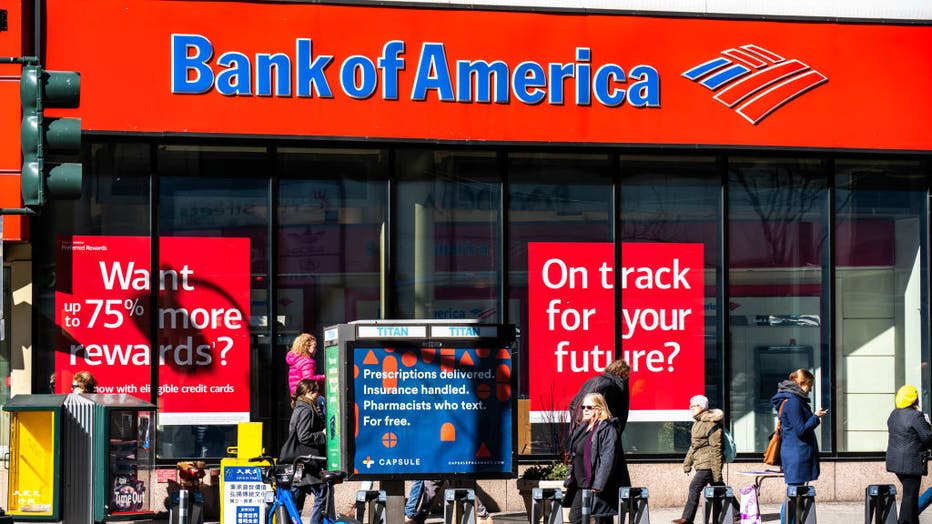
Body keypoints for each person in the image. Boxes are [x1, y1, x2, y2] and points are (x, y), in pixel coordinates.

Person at [770, 368, 827, 524]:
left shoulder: (792, 399)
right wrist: (815, 417)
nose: (811, 389)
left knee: (795, 494)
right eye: (810, 385)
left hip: (796, 453)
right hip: (796, 454)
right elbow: (801, 430)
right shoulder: (793, 401)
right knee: (793, 495)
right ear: (802, 383)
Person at [568, 358, 631, 486]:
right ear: (624, 374)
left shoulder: (594, 381)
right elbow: (620, 416)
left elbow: (573, 404)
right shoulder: (615, 386)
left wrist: (580, 425)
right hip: (599, 434)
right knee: (608, 473)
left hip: (582, 432)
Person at [673, 394, 732, 524]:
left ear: (702, 406)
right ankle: (737, 513)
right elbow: (694, 446)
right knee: (719, 488)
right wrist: (687, 464)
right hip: (701, 462)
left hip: (708, 464)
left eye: (693, 405)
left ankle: (687, 518)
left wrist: (717, 473)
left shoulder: (712, 423)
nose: (690, 407)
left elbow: (716, 450)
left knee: (694, 487)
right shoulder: (697, 423)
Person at [564, 392, 621, 524]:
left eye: (589, 407)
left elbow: (607, 458)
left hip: (596, 484)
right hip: (581, 483)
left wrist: (599, 484)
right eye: (583, 407)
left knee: (602, 519)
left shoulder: (607, 429)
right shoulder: (583, 427)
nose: (585, 410)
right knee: (575, 518)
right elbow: (575, 455)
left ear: (599, 409)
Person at [885, 384, 932, 524]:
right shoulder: (916, 416)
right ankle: (904, 522)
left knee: (910, 495)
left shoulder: (894, 414)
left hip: (895, 461)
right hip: (911, 462)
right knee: (909, 496)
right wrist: (927, 423)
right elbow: (928, 437)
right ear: (914, 399)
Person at [286, 379, 328, 524]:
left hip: (300, 459)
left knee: (298, 494)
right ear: (309, 392)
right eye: (316, 391)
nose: (319, 394)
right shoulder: (306, 409)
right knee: (322, 490)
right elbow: (304, 436)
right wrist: (322, 434)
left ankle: (293, 521)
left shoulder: (300, 406)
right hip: (307, 459)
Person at [404, 480, 493, 524]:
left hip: (446, 456)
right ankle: (418, 519)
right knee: (430, 489)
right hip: (436, 458)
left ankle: (483, 515)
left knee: (460, 486)